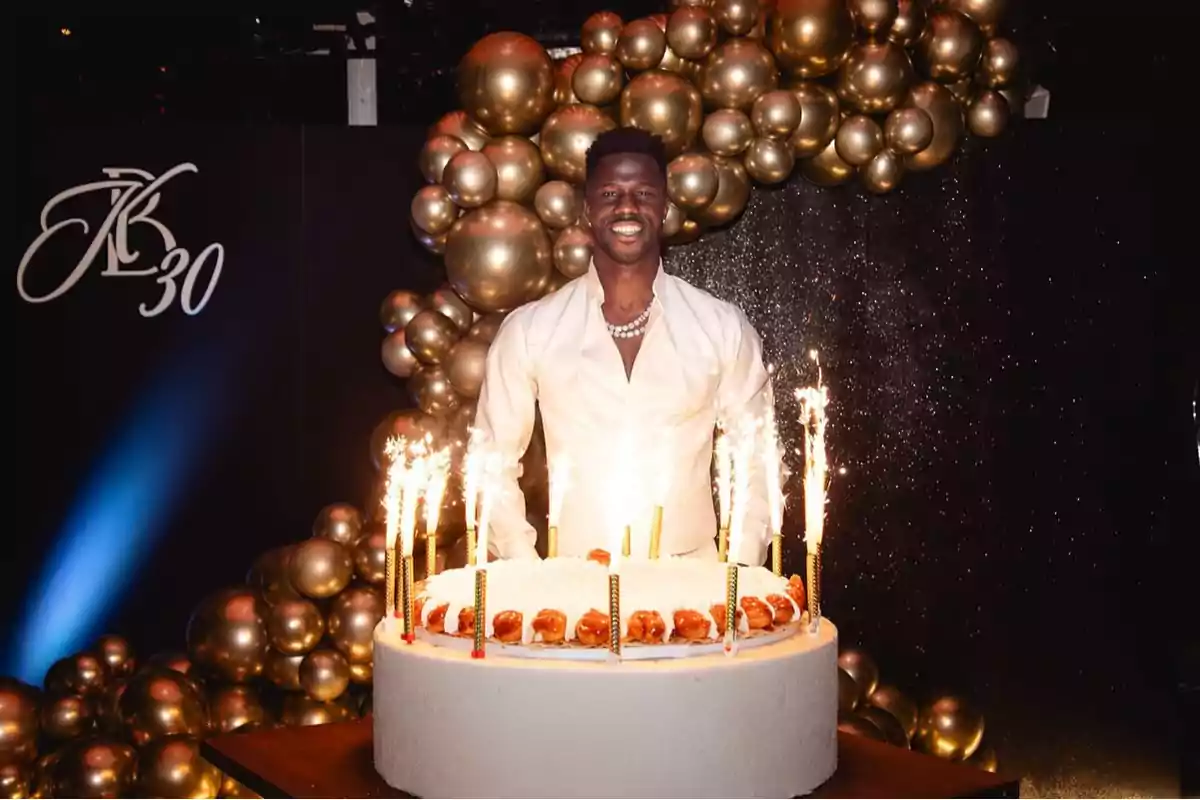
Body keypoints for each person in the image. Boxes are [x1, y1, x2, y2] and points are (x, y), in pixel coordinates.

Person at [472, 127, 775, 565]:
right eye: (611, 193)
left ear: (665, 208)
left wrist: (739, 572)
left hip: (693, 584)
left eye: (644, 193)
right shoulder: (531, 329)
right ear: (587, 209)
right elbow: (491, 460)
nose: (627, 207)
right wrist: (527, 571)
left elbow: (758, 457)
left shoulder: (720, 326)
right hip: (573, 588)